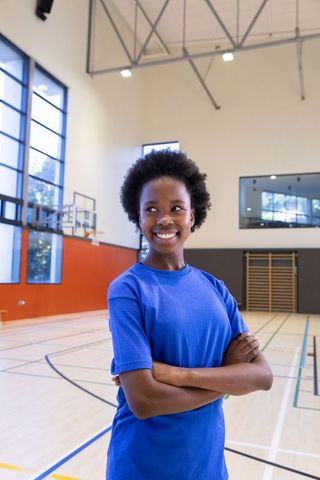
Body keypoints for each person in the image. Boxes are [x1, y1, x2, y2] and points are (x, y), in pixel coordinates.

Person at [106, 150, 273, 480]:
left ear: (192, 216)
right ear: (137, 217)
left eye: (176, 209)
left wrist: (178, 375)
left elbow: (263, 377)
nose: (164, 219)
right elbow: (145, 401)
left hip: (207, 467)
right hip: (143, 467)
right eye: (151, 209)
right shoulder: (127, 289)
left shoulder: (215, 289)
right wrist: (227, 377)